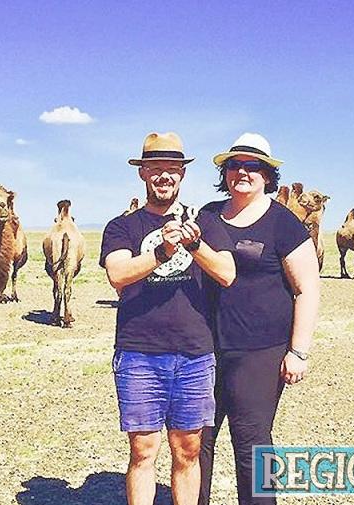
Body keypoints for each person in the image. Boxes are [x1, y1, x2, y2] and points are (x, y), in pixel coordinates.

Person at [100, 132, 235, 505]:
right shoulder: (122, 227)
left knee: (188, 449)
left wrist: (194, 245)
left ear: (182, 174)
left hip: (194, 354)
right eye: (156, 168)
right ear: (142, 173)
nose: (164, 176)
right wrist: (162, 252)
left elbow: (227, 273)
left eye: (172, 169)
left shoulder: (205, 223)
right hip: (139, 353)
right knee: (143, 451)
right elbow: (118, 274)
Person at [197, 133, 320, 505]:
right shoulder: (208, 215)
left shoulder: (283, 223)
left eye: (252, 166)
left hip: (260, 352)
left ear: (267, 175)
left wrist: (298, 351)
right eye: (234, 165)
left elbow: (307, 289)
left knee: (252, 443)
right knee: (196, 441)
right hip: (205, 348)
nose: (242, 172)